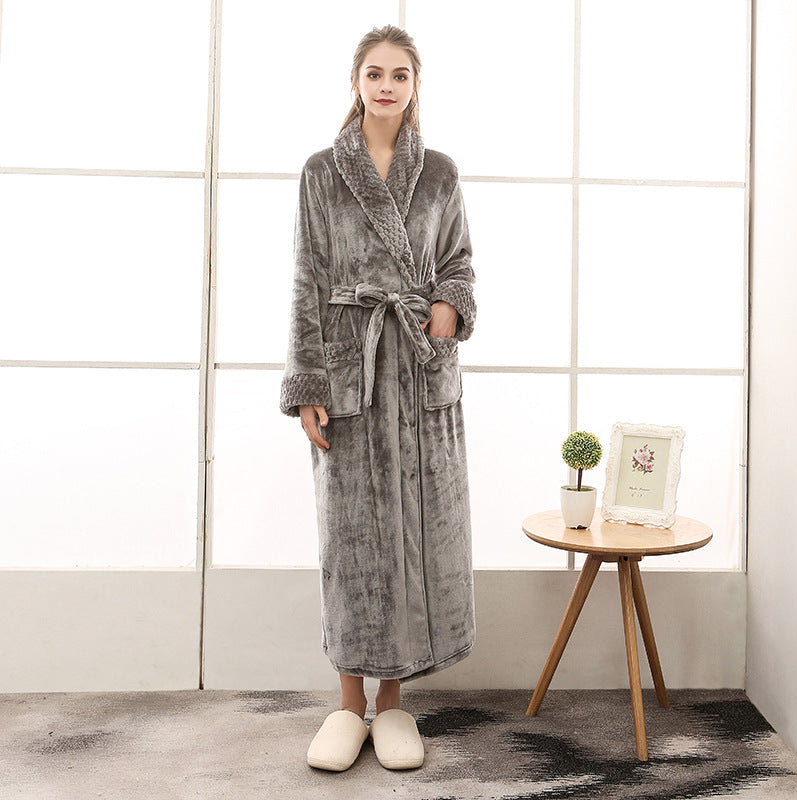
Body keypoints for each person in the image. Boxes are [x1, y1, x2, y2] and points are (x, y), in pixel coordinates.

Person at [279, 23, 477, 772]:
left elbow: (459, 261)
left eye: (400, 74)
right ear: (356, 82)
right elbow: (307, 279)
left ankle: (392, 703)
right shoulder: (321, 173)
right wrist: (307, 384)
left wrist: (448, 307)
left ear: (415, 85)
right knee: (351, 537)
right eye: (375, 73)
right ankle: (345, 703)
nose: (387, 86)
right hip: (348, 370)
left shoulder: (440, 173)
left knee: (410, 534)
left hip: (419, 369)